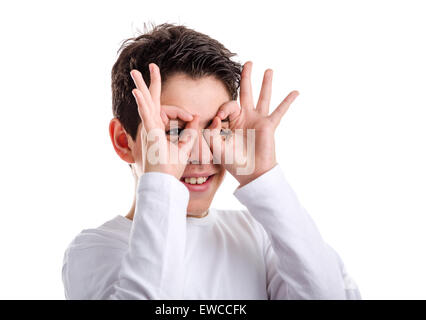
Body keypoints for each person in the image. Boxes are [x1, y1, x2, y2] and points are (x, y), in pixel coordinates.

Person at [61, 23, 361, 300]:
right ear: (124, 142)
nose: (202, 154)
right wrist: (162, 182)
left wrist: (263, 177)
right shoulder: (93, 251)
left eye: (217, 129)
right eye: (176, 131)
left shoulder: (256, 235)